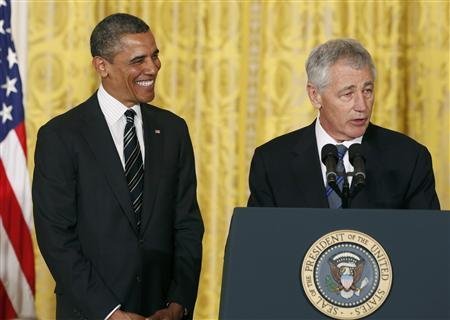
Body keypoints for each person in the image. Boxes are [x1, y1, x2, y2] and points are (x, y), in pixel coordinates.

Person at [32, 13, 204, 320]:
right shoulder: (61, 136)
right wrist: (109, 313)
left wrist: (179, 302)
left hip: (162, 311)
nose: (152, 68)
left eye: (155, 56)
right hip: (91, 311)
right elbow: (56, 236)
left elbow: (187, 224)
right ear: (102, 66)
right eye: (138, 60)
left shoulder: (173, 130)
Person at [247, 38, 440, 209]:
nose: (361, 105)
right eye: (348, 94)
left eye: (367, 91)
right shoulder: (272, 162)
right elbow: (258, 244)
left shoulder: (409, 158)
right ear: (315, 96)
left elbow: (427, 242)